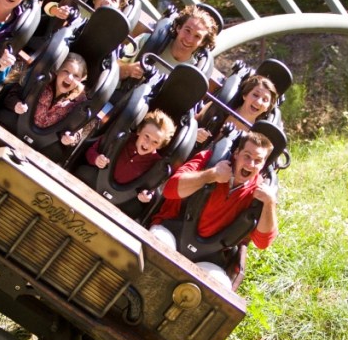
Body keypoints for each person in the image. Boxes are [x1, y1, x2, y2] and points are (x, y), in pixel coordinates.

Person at [149, 131, 278, 290]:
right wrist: (211, 175)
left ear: (263, 165)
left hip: (209, 257)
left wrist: (270, 202)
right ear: (236, 153)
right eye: (247, 156)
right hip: (172, 231)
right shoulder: (211, 159)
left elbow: (263, 242)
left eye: (258, 161)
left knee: (219, 289)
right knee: (156, 251)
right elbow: (169, 189)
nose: (251, 164)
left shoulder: (259, 194)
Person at [0, 53, 90, 162]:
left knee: (56, 152)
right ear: (58, 70)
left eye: (75, 75)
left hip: (44, 142)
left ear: (81, 79)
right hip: (19, 124)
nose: (69, 78)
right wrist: (16, 104)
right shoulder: (41, 80)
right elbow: (12, 95)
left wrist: (71, 138)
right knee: (4, 117)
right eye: (65, 71)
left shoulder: (80, 101)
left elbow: (77, 129)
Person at [80, 109, 176, 212]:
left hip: (119, 201)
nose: (147, 144)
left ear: (161, 145)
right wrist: (96, 159)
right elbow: (91, 151)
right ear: (139, 131)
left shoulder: (156, 164)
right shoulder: (121, 138)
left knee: (134, 208)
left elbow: (151, 187)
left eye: (155, 142)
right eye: (146, 136)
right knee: (83, 171)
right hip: (95, 184)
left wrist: (146, 195)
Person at [119, 4, 219, 83]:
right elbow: (113, 64)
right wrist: (128, 69)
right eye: (187, 30)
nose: (189, 39)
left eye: (197, 36)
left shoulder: (190, 73)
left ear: (202, 43)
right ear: (178, 28)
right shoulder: (149, 41)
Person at [195, 74, 278, 146]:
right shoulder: (221, 106)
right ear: (245, 95)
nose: (258, 102)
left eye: (265, 100)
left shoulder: (257, 135)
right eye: (255, 95)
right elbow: (193, 121)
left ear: (267, 108)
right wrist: (195, 133)